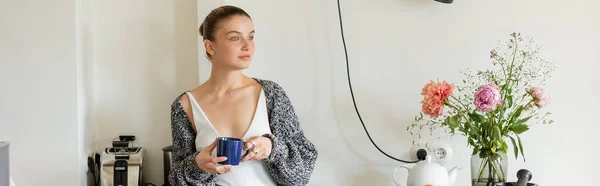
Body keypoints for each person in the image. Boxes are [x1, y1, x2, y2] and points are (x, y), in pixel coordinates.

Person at [168, 5, 318, 186]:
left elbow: (302, 173)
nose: (248, 46)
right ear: (210, 46)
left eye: (251, 37)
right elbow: (176, 179)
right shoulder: (185, 106)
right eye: (235, 38)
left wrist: (272, 148)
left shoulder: (271, 95)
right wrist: (197, 165)